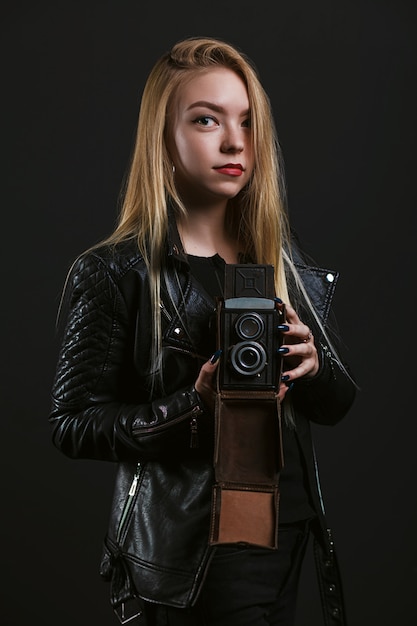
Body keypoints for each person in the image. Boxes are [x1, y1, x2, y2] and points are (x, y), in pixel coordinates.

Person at [49, 36, 357, 626]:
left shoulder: (282, 267)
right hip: (189, 550)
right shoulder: (118, 272)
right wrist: (194, 406)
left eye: (245, 121)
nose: (234, 141)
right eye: (207, 119)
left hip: (286, 534)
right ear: (163, 138)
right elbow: (72, 423)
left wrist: (313, 366)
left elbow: (338, 403)